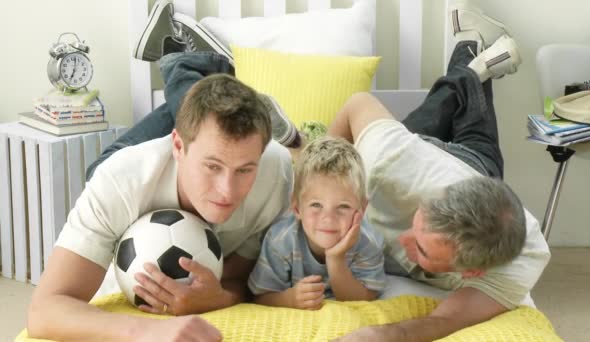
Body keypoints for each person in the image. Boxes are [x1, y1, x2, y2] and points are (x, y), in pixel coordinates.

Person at [27, 2, 296, 340]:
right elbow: (44, 310)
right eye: (213, 166)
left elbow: (244, 282)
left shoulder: (276, 172)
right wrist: (146, 332)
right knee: (103, 166)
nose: (228, 190)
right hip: (132, 163)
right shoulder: (120, 179)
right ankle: (184, 60)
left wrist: (221, 297)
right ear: (178, 147)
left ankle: (189, 65)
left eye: (244, 170)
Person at [328, 2, 551, 341]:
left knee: (471, 115)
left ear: (474, 271)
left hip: (477, 183)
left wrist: (382, 336)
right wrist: (325, 176)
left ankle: (470, 52)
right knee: (461, 117)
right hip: (435, 157)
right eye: (414, 226)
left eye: (422, 248)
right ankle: (473, 71)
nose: (402, 242)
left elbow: (443, 322)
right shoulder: (386, 159)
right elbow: (357, 103)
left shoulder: (520, 262)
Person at [248, 137, 386, 309]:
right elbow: (260, 297)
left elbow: (366, 298)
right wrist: (289, 299)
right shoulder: (280, 240)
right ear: (297, 208)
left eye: (343, 206)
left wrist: (336, 260)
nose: (328, 218)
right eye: (316, 205)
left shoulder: (368, 242)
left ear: (362, 208)